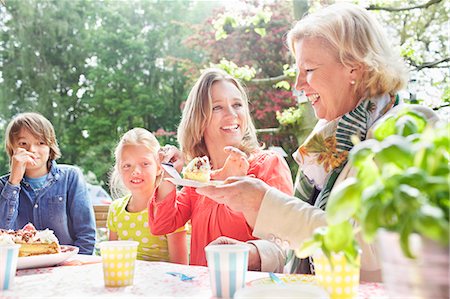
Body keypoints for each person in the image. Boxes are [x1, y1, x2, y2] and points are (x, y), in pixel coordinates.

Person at [196, 3, 439, 282]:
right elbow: (308, 249)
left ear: (354, 70)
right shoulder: (327, 142)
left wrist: (264, 203)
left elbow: (368, 250)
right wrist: (256, 253)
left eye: (308, 69)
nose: (298, 84)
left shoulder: (409, 130)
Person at [149, 68, 293, 271]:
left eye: (237, 105)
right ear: (199, 119)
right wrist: (168, 172)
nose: (232, 114)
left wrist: (243, 254)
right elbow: (162, 225)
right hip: (204, 290)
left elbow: (284, 242)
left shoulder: (268, 165)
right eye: (217, 107)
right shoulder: (197, 180)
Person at [0, 112, 96, 254]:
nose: (32, 150)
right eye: (23, 144)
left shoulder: (70, 177)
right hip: (21, 269)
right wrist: (14, 182)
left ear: (50, 147)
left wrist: (78, 263)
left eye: (41, 143)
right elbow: (3, 234)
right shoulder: (4, 186)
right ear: (12, 148)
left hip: (66, 266)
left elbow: (86, 234)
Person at [108, 128, 187, 264]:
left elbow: (180, 266)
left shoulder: (170, 209)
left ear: (158, 168)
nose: (135, 171)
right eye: (127, 165)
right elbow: (113, 259)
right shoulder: (115, 210)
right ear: (119, 170)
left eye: (145, 164)